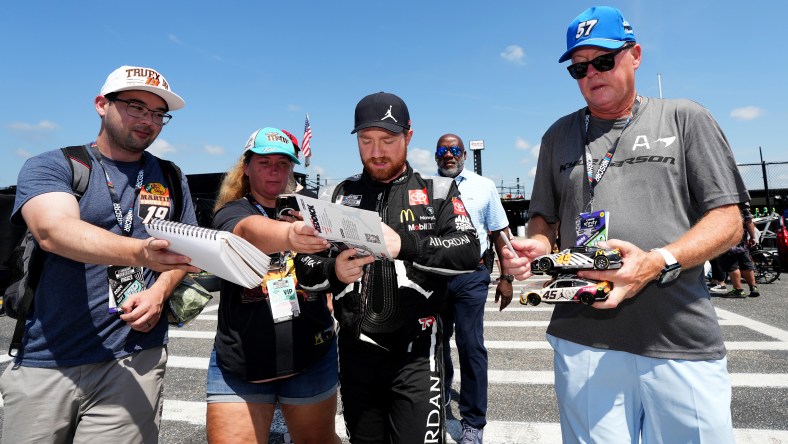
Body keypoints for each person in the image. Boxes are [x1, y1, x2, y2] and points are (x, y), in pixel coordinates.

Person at [501, 7, 748, 443]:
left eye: (603, 61)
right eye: (579, 68)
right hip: (582, 334)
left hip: (678, 335)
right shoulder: (556, 135)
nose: (591, 74)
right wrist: (538, 244)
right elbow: (545, 218)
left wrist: (658, 261)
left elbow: (729, 222)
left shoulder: (684, 117)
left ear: (634, 55)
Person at [1, 65, 200, 442]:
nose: (148, 121)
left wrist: (158, 292)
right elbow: (52, 231)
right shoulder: (54, 164)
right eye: (136, 107)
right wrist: (141, 253)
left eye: (159, 114)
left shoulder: (171, 175)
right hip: (48, 359)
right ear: (100, 105)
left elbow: (183, 253)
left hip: (135, 357)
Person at [295, 92, 480, 443]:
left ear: (408, 137)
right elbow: (304, 266)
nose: (377, 151)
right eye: (366, 140)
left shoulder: (438, 190)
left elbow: (470, 250)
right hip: (355, 355)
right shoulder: (334, 195)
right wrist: (333, 270)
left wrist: (405, 246)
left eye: (387, 140)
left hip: (417, 357)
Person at [206, 127, 338, 444]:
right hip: (243, 360)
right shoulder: (233, 209)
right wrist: (291, 236)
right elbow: (247, 231)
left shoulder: (311, 208)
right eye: (265, 162)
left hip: (310, 354)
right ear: (247, 167)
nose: (274, 170)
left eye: (283, 163)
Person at [434, 133, 512, 443]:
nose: (449, 155)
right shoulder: (422, 187)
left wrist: (507, 278)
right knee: (436, 344)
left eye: (454, 150)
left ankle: (473, 422)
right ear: (436, 155)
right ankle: (437, 399)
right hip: (434, 276)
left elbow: (499, 234)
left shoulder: (484, 186)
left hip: (471, 274)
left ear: (464, 154)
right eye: (443, 150)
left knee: (470, 345)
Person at [718, 202, 760, 297]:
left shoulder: (720, 202)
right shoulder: (743, 202)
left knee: (732, 265)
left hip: (726, 238)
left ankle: (738, 290)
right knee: (745, 263)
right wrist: (753, 237)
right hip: (741, 238)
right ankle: (753, 287)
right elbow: (749, 221)